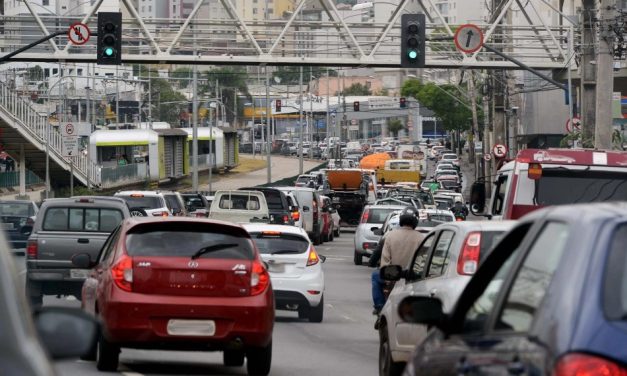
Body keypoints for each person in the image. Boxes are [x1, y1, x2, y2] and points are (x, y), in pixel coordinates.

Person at [371, 207, 424, 315]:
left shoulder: (390, 235)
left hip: (393, 274)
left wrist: (387, 278)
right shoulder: (420, 238)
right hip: (412, 276)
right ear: (415, 221)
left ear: (401, 219)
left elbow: (385, 260)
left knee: (375, 276)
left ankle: (379, 306)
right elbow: (422, 260)